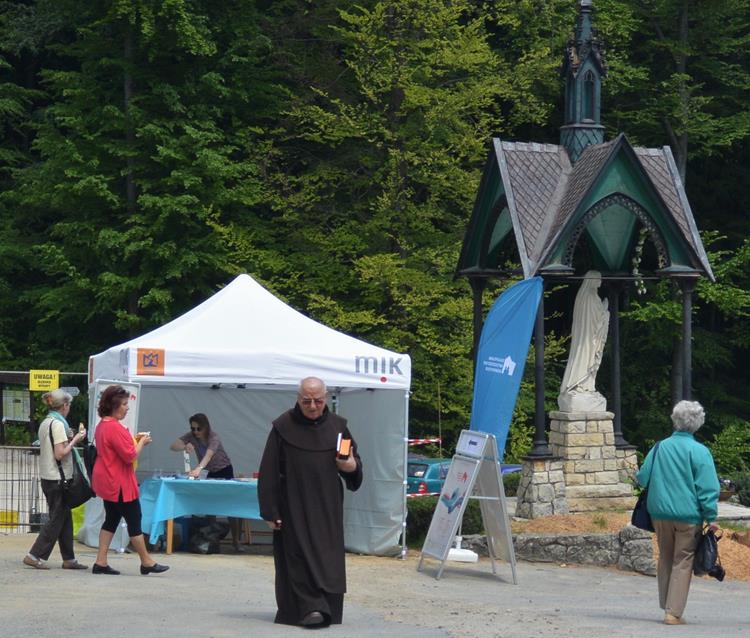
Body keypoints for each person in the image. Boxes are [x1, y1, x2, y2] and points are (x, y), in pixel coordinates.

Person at [258, 377, 362, 628]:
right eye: (307, 401)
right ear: (298, 399)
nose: (313, 406)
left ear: (325, 398)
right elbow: (269, 470)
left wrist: (350, 466)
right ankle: (310, 608)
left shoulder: (339, 427)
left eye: (317, 400)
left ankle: (327, 607)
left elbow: (354, 466)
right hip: (292, 503)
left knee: (328, 558)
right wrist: (270, 510)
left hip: (327, 504)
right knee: (297, 556)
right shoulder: (283, 426)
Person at [636, 400, 720, 626]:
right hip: (688, 516)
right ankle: (673, 612)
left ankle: (667, 604)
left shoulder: (659, 447)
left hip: (659, 513)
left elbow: (642, 478)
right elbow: (708, 488)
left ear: (675, 420)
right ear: (697, 424)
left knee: (665, 556)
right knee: (683, 560)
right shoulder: (700, 452)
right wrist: (711, 517)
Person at [91, 384, 169, 576]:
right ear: (115, 405)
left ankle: (100, 561)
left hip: (108, 480)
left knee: (111, 519)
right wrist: (142, 441)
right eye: (125, 404)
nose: (127, 407)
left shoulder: (102, 425)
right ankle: (146, 561)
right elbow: (129, 455)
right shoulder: (115, 428)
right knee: (134, 520)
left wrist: (133, 440)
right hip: (119, 483)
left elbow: (119, 450)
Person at [23, 388, 89, 570]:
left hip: (48, 476)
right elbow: (60, 453)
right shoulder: (59, 425)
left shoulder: (47, 422)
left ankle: (69, 559)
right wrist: (75, 439)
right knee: (57, 518)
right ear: (65, 406)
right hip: (58, 478)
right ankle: (35, 555)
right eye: (69, 405)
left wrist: (69, 439)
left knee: (64, 516)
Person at [170, 413, 241, 550]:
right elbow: (173, 446)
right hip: (209, 471)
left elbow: (209, 455)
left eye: (198, 429)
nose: (195, 432)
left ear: (206, 427)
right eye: (193, 429)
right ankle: (212, 539)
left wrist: (198, 468)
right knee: (210, 506)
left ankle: (236, 541)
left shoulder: (214, 437)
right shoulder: (191, 436)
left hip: (224, 469)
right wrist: (184, 447)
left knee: (230, 507)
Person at [558, 270, 609, 412]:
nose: (601, 281)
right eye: (599, 279)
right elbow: (596, 319)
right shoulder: (591, 296)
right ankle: (581, 385)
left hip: (585, 337)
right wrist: (605, 311)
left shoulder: (583, 295)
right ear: (592, 280)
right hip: (588, 339)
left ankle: (587, 387)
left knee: (586, 361)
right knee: (586, 361)